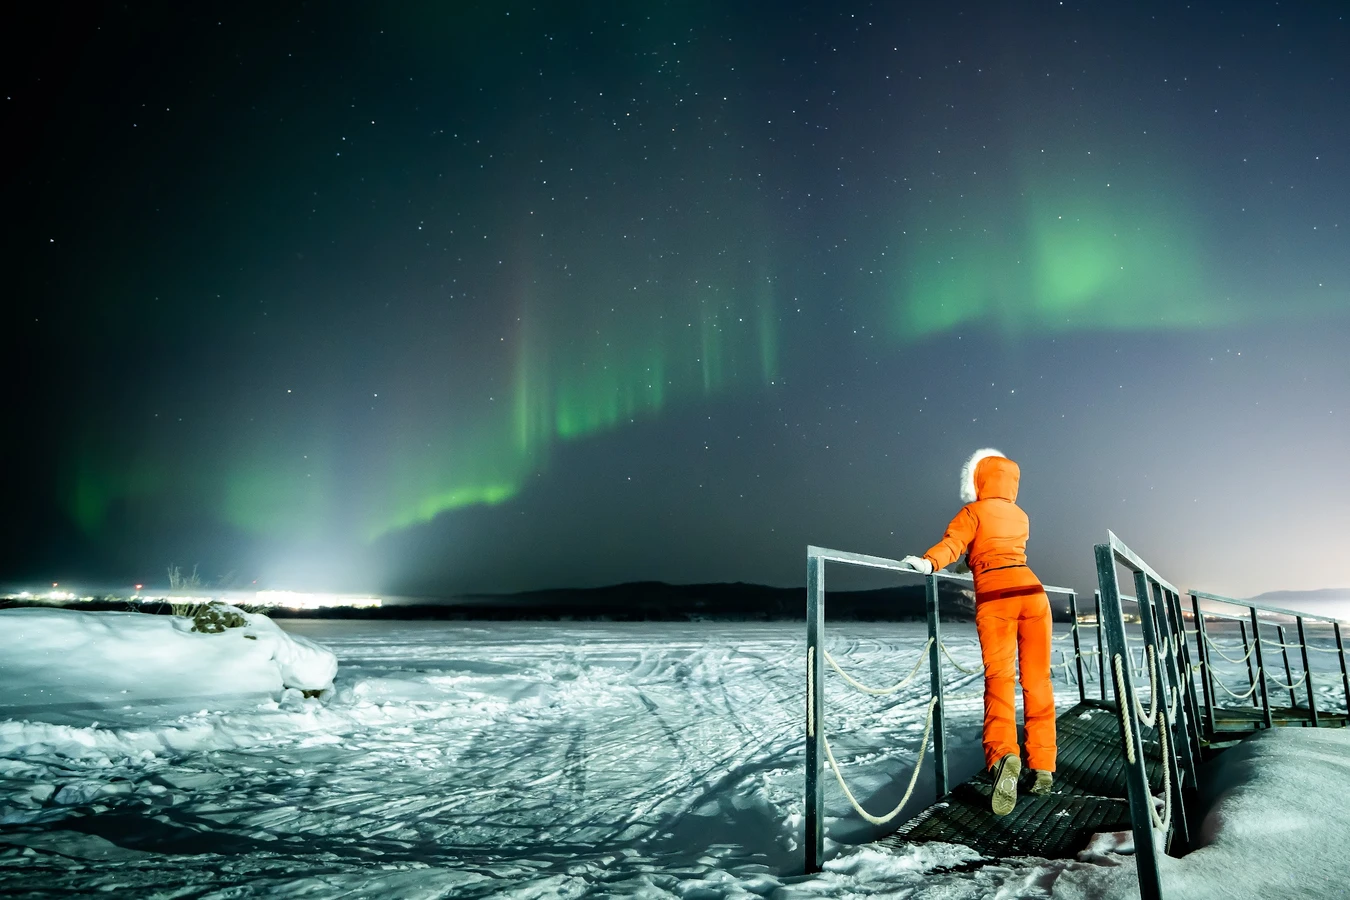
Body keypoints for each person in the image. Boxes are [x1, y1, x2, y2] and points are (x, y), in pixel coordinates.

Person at [900, 448, 1056, 816]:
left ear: (977, 481)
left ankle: (1004, 756)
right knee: (1038, 680)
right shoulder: (1020, 515)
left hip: (998, 598)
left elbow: (956, 543)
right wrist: (971, 563)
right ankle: (1044, 766)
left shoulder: (973, 511)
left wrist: (929, 562)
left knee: (1000, 678)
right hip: (1034, 594)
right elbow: (997, 551)